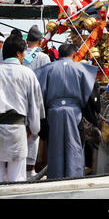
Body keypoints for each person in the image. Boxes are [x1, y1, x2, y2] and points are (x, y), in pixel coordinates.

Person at [34, 43, 98, 180]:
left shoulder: (47, 69)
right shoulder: (81, 69)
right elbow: (90, 94)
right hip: (74, 112)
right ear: (74, 54)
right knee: (75, 146)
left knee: (55, 147)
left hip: (53, 112)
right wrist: (94, 117)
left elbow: (39, 95)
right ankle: (74, 177)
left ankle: (55, 178)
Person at [0, 35, 45, 182]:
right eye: (23, 53)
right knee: (17, 178)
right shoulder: (28, 74)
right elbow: (35, 105)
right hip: (18, 130)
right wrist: (34, 129)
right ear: (19, 53)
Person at [23, 25, 51, 179]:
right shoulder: (43, 56)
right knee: (33, 135)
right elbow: (45, 82)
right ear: (40, 42)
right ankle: (29, 170)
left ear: (27, 41)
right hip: (35, 99)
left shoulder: (20, 54)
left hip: (18, 100)